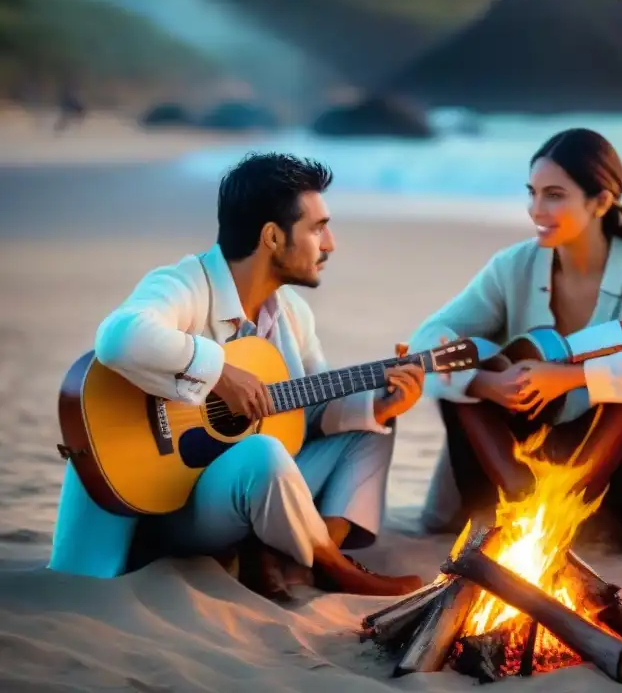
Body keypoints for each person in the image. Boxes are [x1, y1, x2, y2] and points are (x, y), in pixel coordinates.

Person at [48, 152, 427, 600]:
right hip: (169, 505)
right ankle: (332, 565)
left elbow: (311, 408)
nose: (330, 244)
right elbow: (117, 338)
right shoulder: (186, 284)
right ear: (271, 236)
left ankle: (294, 552)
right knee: (262, 453)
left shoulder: (292, 315)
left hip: (233, 498)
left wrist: (380, 405)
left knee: (373, 427)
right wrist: (218, 373)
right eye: (317, 227)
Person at [407, 128, 622, 553]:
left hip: (616, 467)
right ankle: (519, 495)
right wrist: (483, 383)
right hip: (517, 452)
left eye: (554, 195)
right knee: (465, 362)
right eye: (531, 193)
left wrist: (570, 378)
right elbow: (427, 340)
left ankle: (576, 505)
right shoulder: (513, 266)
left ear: (601, 202)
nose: (536, 209)